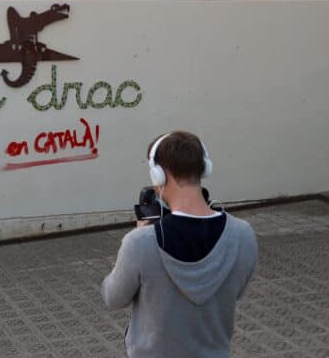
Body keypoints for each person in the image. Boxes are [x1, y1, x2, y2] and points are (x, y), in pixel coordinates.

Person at [101, 131, 258, 358]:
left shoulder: (141, 243)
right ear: (204, 168)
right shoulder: (243, 235)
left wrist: (135, 245)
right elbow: (236, 292)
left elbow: (112, 298)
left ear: (159, 175)